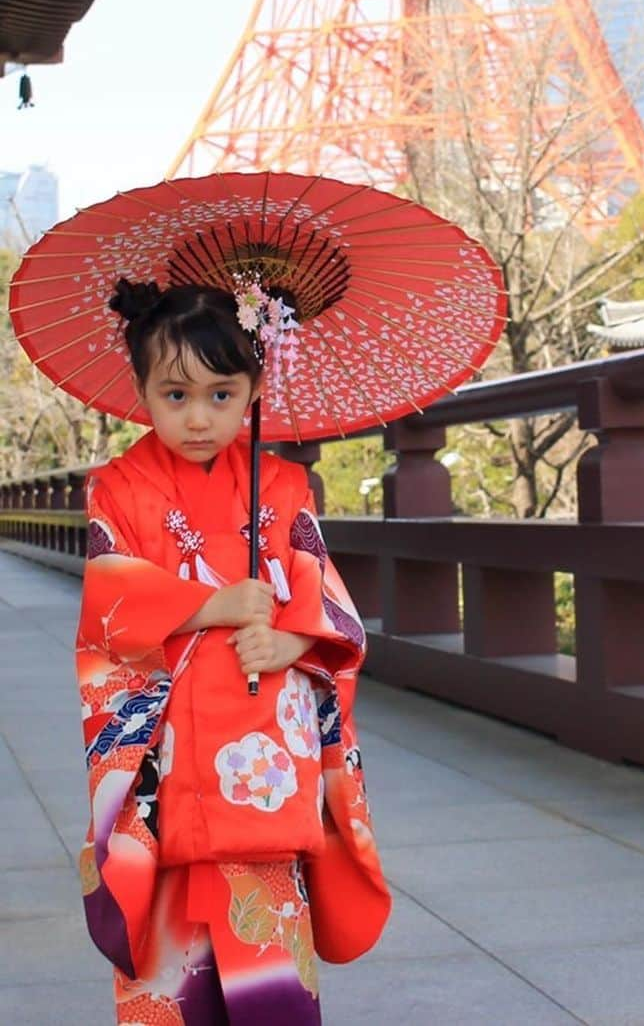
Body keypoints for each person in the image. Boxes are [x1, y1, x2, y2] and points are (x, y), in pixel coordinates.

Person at [77, 279, 391, 1024]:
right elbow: (105, 609)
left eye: (223, 395)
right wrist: (209, 605)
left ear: (254, 388)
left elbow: (331, 608)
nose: (198, 417)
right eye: (175, 394)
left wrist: (290, 640)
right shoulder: (118, 488)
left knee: (270, 974)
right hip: (170, 759)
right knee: (166, 967)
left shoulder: (283, 485)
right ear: (142, 389)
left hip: (262, 768)